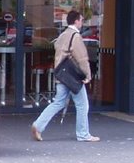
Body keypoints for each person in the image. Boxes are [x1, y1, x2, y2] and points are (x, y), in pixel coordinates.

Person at [30, 10, 99, 143]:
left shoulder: (62, 35)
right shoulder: (75, 37)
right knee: (82, 105)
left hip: (61, 75)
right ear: (76, 21)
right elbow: (82, 58)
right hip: (73, 77)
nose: (82, 23)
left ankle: (38, 125)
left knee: (58, 102)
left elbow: (57, 49)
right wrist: (88, 75)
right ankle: (83, 134)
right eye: (81, 20)